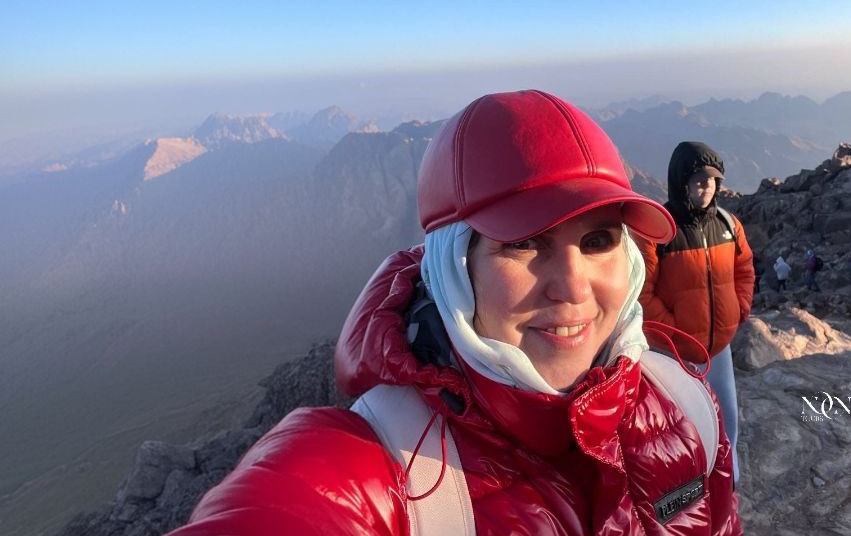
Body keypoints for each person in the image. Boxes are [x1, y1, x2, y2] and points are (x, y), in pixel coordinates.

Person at [171, 91, 741, 536]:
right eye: (523, 243)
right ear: (453, 270)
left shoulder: (686, 406)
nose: (572, 288)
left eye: (598, 241)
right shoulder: (385, 465)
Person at [639, 141, 754, 484]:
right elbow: (642, 293)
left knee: (727, 414)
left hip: (718, 347)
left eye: (713, 181)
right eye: (699, 181)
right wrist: (674, 333)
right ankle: (691, 484)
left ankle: (728, 475)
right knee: (682, 421)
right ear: (682, 182)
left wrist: (739, 309)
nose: (708, 188)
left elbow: (744, 269)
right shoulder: (659, 230)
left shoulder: (728, 224)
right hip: (675, 352)